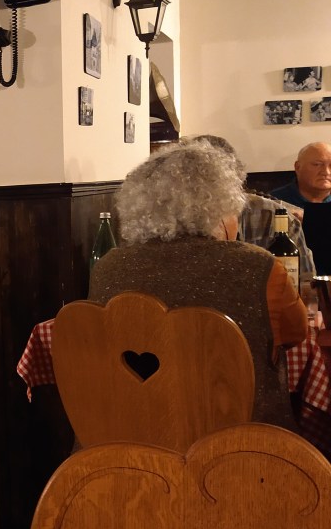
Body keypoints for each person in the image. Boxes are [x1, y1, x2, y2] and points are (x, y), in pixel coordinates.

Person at [90, 141, 308, 429]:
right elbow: (296, 333)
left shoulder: (108, 266)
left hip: (130, 433)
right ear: (220, 209)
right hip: (243, 437)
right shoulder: (259, 267)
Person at [186, 135, 316, 288]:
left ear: (236, 178)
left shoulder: (275, 218)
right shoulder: (171, 221)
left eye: (213, 179)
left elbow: (306, 285)